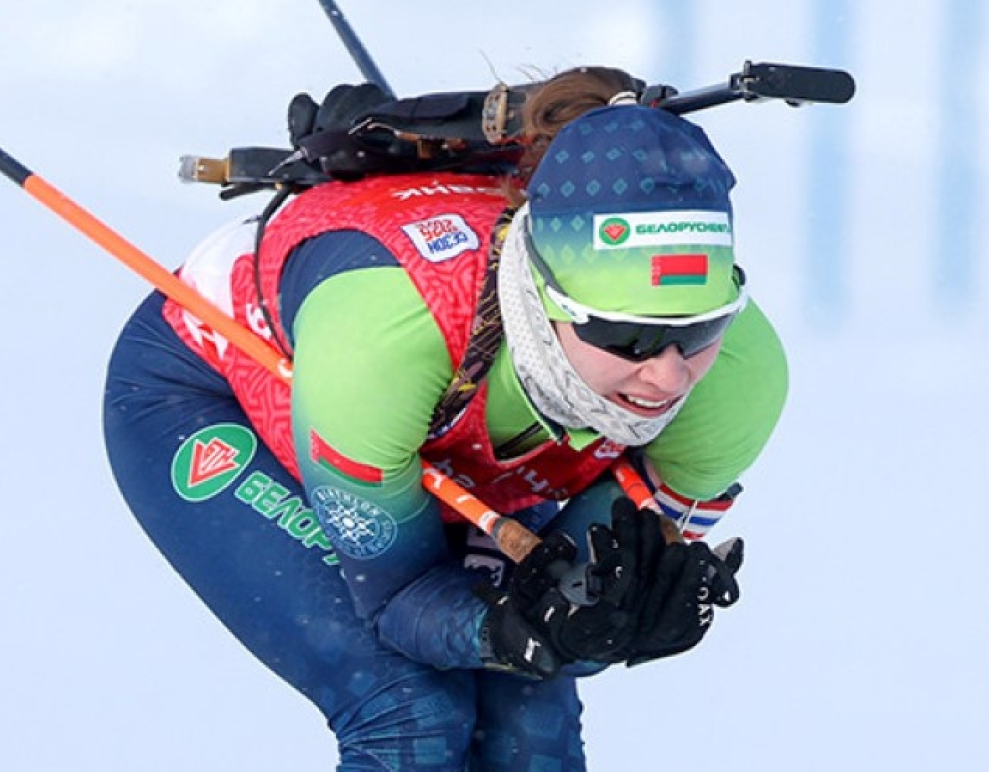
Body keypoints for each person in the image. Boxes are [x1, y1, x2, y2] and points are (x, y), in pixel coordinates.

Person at [102, 66, 789, 771]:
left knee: (531, 731)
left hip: (440, 440)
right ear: (546, 296)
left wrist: (603, 625)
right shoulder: (382, 342)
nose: (669, 375)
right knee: (413, 714)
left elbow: (568, 615)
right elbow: (398, 601)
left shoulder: (738, 380)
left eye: (700, 330)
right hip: (213, 390)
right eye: (627, 337)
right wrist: (511, 627)